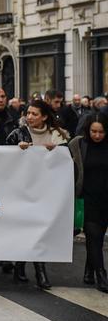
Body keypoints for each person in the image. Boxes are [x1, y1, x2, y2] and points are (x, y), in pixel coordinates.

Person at [7, 99, 70, 289]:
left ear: (44, 116)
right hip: (22, 189)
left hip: (46, 191)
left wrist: (57, 152)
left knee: (38, 230)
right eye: (28, 113)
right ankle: (30, 269)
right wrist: (17, 150)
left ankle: (32, 269)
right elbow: (2, 158)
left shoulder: (58, 136)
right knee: (25, 229)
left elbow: (66, 162)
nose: (30, 117)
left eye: (35, 114)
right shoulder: (17, 134)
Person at [70, 113, 108, 292]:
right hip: (87, 198)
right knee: (93, 235)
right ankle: (101, 274)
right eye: (94, 131)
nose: (97, 135)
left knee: (98, 237)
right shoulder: (78, 144)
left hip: (105, 199)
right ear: (88, 130)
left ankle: (88, 270)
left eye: (101, 132)